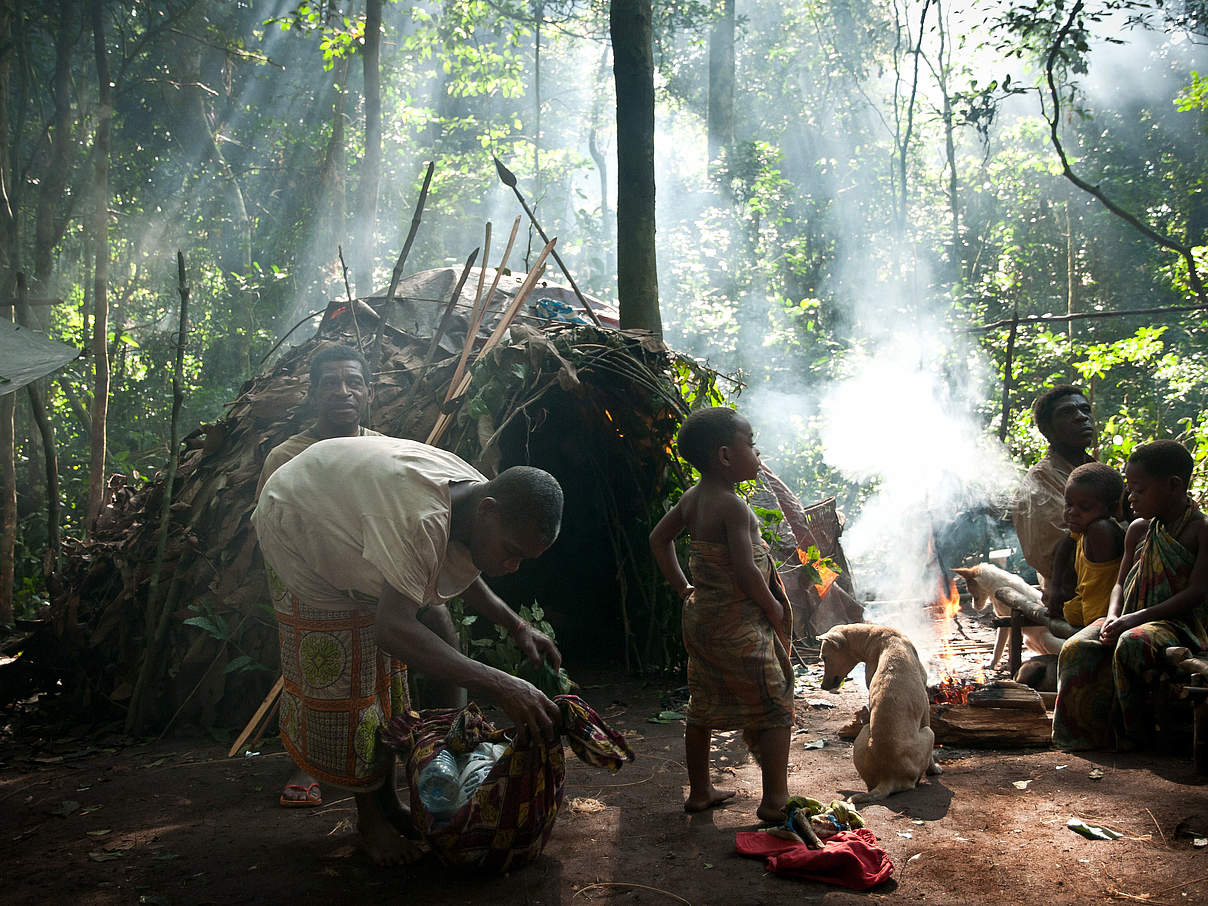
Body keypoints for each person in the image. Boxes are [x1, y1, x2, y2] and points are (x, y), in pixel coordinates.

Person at [253, 435, 564, 864]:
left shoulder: (476, 498)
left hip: (351, 511)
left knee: (406, 660)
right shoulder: (421, 519)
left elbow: (452, 564)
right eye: (512, 553)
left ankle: (394, 803)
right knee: (351, 683)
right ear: (489, 511)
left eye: (523, 560)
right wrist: (501, 684)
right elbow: (393, 629)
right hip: (299, 521)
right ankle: (369, 823)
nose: (512, 567)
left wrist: (517, 625)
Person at [255, 344, 467, 809]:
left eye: (353, 382)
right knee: (326, 680)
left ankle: (445, 742)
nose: (342, 392)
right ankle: (311, 763)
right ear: (312, 395)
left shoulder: (381, 448)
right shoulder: (285, 457)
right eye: (329, 383)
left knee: (415, 645)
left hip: (376, 578)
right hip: (316, 586)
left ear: (369, 392)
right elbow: (279, 529)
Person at [649, 407, 794, 824]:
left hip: (701, 621)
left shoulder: (692, 499)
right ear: (726, 456)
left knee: (703, 702)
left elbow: (659, 540)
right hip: (738, 623)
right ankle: (775, 799)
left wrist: (683, 588)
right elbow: (747, 571)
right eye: (751, 443)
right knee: (776, 698)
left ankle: (699, 790)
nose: (758, 450)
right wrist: (773, 606)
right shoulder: (733, 507)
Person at [1052, 440, 1208, 750]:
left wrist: (1132, 620)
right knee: (1075, 647)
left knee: (1132, 642)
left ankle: (1136, 734)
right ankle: (1085, 735)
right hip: (1128, 617)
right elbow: (1120, 584)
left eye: (1138, 489)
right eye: (1129, 488)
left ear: (1173, 486)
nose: (1130, 497)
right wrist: (1113, 616)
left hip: (1179, 625)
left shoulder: (1200, 530)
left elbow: (1196, 592)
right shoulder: (1138, 529)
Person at [1011, 385, 1097, 597]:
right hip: (1075, 594)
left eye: (1085, 410)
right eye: (1067, 412)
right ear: (1047, 429)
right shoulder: (1040, 481)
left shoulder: (1095, 469)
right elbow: (1062, 560)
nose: (1081, 417)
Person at [1047, 462, 1125, 628]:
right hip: (1085, 611)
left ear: (1110, 508)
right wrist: (1055, 589)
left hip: (1104, 619)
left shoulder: (1101, 529)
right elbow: (1065, 544)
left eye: (1084, 507)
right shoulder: (1084, 527)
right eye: (1069, 504)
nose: (1072, 512)